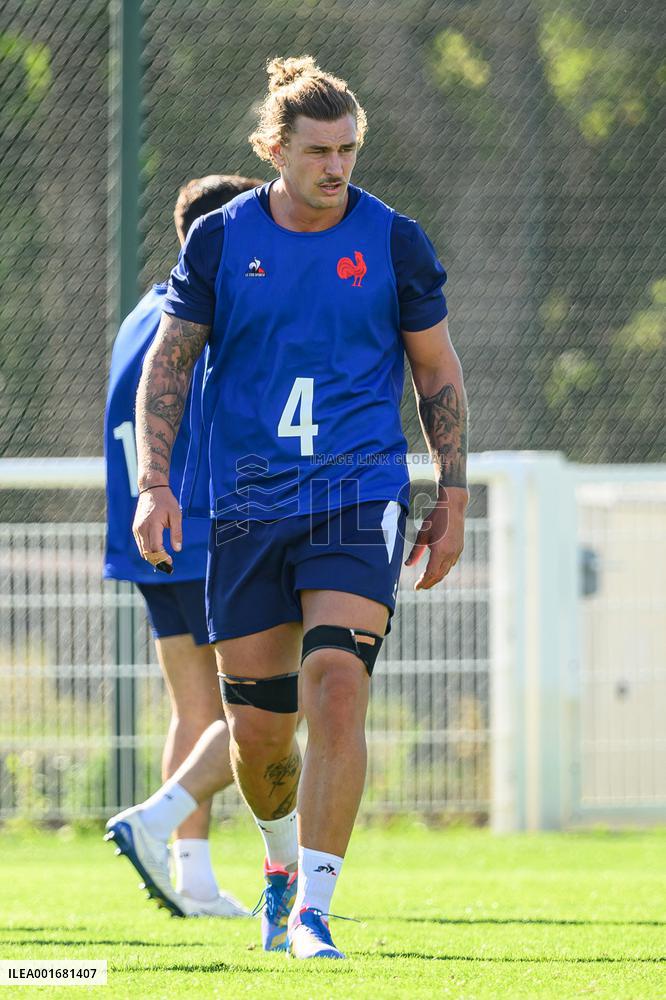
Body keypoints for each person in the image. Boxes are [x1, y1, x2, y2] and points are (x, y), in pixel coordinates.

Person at [107, 55, 468, 959]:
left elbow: (435, 370)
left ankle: (314, 910)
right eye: (318, 151)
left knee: (338, 685)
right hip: (247, 506)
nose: (335, 167)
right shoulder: (221, 241)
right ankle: (276, 867)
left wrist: (452, 491)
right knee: (261, 737)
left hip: (357, 493)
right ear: (275, 149)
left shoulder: (395, 240)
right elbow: (170, 363)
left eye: (348, 149)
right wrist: (155, 484)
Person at [103, 173, 262, 918]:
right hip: (201, 530)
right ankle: (158, 822)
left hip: (146, 536)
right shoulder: (206, 310)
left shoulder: (142, 313)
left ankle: (190, 878)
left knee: (195, 711)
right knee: (270, 703)